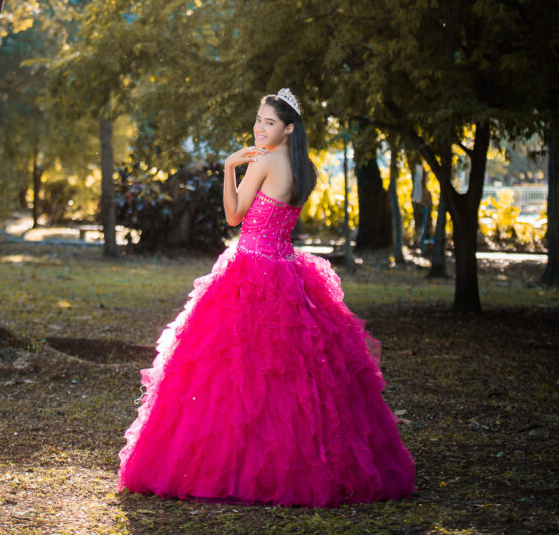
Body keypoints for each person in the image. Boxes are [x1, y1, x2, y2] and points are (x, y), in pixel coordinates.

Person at [117, 89, 416, 507]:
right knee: (289, 373)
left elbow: (235, 216)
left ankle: (231, 468)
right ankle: (288, 463)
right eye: (258, 120)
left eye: (269, 123)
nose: (259, 128)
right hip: (285, 267)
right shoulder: (303, 167)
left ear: (288, 128)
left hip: (251, 268)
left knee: (233, 371)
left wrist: (228, 169)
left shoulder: (263, 162)